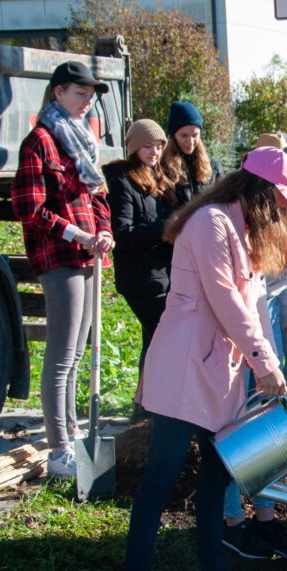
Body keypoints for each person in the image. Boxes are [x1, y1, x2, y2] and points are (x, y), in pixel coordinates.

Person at [112, 147, 287, 571]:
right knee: (158, 484)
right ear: (258, 191)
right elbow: (224, 299)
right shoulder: (210, 223)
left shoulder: (246, 233)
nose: (281, 212)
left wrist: (270, 370)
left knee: (216, 480)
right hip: (182, 372)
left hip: (219, 377)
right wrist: (263, 363)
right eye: (279, 200)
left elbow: (256, 306)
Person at [219, 133, 287, 559]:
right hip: (246, 330)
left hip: (277, 321)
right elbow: (245, 291)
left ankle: (266, 515)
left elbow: (285, 282)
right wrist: (261, 348)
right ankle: (232, 521)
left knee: (279, 420)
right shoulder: (248, 218)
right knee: (244, 423)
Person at [12, 61, 114, 479]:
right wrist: (77, 234)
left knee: (76, 356)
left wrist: (104, 232)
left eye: (91, 93)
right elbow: (28, 209)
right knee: (61, 355)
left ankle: (72, 431)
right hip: (59, 256)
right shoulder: (39, 141)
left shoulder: (83, 141)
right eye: (79, 91)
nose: (88, 98)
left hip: (90, 253)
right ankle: (58, 452)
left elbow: (99, 197)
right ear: (57, 92)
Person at [104, 119, 175, 396]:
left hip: (162, 276)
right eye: (147, 146)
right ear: (134, 147)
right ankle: (153, 403)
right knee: (163, 341)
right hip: (140, 279)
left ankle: (144, 406)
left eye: (158, 146)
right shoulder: (123, 182)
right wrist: (166, 227)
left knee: (153, 343)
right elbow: (122, 234)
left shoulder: (160, 179)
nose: (154, 152)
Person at [161, 101, 223, 208]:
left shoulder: (213, 167)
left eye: (195, 135)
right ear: (173, 136)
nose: (190, 141)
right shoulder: (162, 167)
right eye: (184, 136)